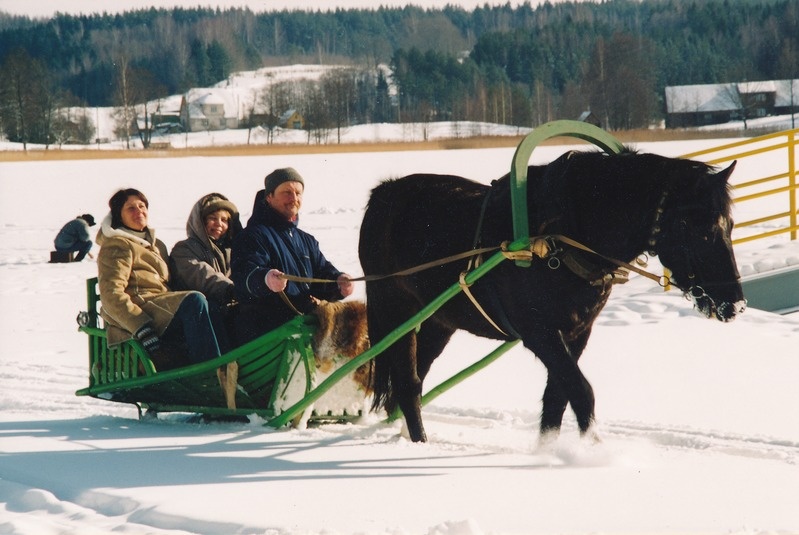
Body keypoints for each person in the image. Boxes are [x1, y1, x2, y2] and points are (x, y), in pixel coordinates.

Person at [96, 188, 223, 368]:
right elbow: (111, 294)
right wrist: (141, 326)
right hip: (143, 311)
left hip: (162, 308)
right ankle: (209, 371)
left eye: (142, 206)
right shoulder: (117, 245)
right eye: (131, 208)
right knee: (194, 301)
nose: (139, 211)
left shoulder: (157, 245)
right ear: (119, 215)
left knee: (212, 306)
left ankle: (227, 367)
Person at [231, 167, 354, 343]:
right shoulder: (252, 235)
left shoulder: (307, 240)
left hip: (305, 322)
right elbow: (245, 274)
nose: (294, 198)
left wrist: (339, 282)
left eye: (298, 193)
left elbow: (322, 272)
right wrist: (265, 279)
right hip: (267, 328)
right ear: (269, 197)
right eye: (287, 192)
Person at [170, 193, 241, 351]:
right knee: (213, 309)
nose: (219, 224)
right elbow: (200, 274)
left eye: (224, 220)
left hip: (225, 306)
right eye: (213, 218)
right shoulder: (184, 248)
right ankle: (217, 368)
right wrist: (231, 289)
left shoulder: (230, 251)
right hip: (195, 317)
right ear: (200, 221)